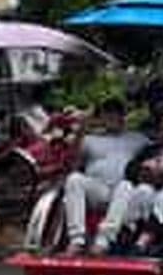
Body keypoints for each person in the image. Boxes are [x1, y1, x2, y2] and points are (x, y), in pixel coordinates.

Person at [95, 110, 163, 254]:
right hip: (148, 191)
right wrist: (145, 169)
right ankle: (127, 233)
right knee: (142, 190)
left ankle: (145, 238)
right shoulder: (149, 150)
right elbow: (130, 170)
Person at [63, 97, 148, 254]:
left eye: (115, 114)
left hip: (123, 193)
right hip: (97, 189)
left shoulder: (137, 139)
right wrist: (81, 130)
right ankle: (77, 240)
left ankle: (103, 241)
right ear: (101, 117)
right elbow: (73, 164)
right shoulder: (89, 139)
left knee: (126, 185)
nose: (112, 118)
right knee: (73, 179)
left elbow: (160, 146)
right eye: (107, 114)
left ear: (123, 116)